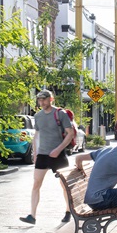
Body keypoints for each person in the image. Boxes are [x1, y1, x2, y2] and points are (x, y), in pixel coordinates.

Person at [19, 89, 74, 225]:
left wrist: (58, 149)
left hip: (58, 155)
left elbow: (70, 133)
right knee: (36, 184)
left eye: (44, 99)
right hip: (43, 154)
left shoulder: (60, 114)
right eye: (40, 100)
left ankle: (68, 211)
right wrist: (36, 153)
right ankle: (32, 216)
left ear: (51, 99)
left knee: (64, 185)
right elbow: (37, 135)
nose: (42, 102)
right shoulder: (38, 116)